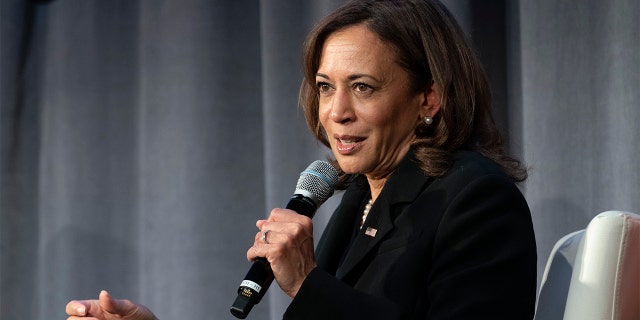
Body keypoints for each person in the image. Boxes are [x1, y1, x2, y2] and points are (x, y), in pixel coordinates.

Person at [66, 0, 537, 319]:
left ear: (428, 100)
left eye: (363, 87)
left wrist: (309, 285)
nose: (336, 112)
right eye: (326, 87)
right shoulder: (358, 198)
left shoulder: (475, 198)